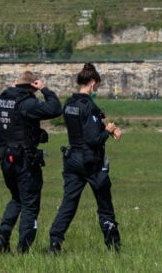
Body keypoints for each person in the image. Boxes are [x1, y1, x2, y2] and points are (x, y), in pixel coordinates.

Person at [49, 63, 123, 254]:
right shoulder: (89, 106)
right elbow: (93, 139)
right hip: (91, 162)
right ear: (92, 83)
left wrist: (102, 127)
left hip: (72, 158)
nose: (96, 90)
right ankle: (114, 245)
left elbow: (82, 130)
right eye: (96, 87)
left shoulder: (70, 104)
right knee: (104, 204)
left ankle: (55, 241)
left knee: (69, 203)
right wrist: (107, 131)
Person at [0, 70, 62, 254]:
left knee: (17, 198)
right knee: (30, 203)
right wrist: (45, 90)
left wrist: (13, 88)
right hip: (24, 160)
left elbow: (1, 103)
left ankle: (3, 234)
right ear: (33, 86)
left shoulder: (1, 100)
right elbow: (55, 109)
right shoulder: (28, 104)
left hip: (6, 158)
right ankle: (24, 249)